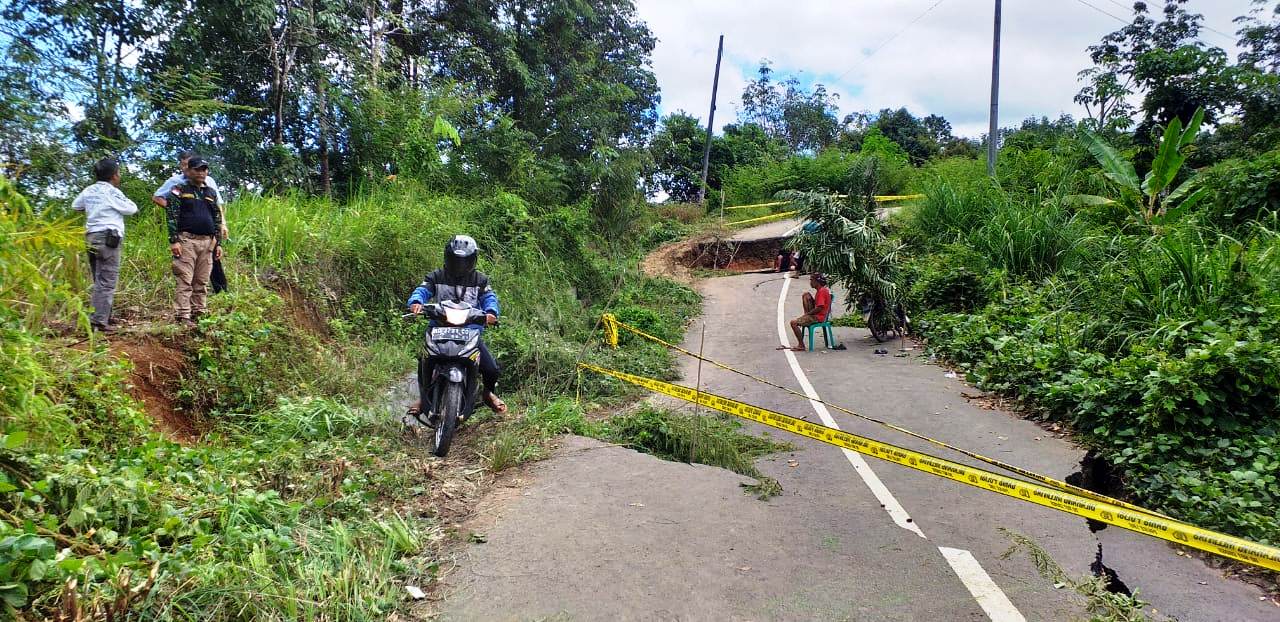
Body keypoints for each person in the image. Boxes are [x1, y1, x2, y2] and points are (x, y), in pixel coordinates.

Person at [406, 235, 507, 416]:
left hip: (469, 331)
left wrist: (491, 312)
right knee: (424, 360)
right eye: (455, 260)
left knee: (491, 368)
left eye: (464, 261)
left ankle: (488, 393)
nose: (460, 265)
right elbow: (423, 290)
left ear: (473, 260)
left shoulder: (480, 280)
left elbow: (489, 298)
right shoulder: (436, 276)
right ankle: (424, 397)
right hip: (439, 329)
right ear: (447, 257)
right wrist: (416, 302)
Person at [72, 158, 138, 333]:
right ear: (114, 175)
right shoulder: (112, 192)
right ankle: (98, 322)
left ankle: (103, 315)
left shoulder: (89, 190)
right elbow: (131, 209)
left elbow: (76, 206)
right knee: (107, 280)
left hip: (91, 237)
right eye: (118, 173)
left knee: (98, 278)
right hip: (108, 238)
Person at [154, 150, 229, 293]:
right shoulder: (176, 183)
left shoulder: (209, 182)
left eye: (188, 164)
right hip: (187, 233)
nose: (185, 168)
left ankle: (220, 290)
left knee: (212, 258)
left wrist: (223, 224)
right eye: (183, 165)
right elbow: (157, 197)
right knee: (186, 266)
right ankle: (185, 307)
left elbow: (217, 205)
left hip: (207, 230)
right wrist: (179, 212)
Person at [164, 157, 223, 325]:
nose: (201, 173)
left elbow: (217, 218)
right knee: (185, 278)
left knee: (202, 280)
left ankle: (199, 312)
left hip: (207, 242)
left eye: (204, 169)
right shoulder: (179, 190)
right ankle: (183, 315)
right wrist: (174, 240)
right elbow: (172, 216)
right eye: (197, 169)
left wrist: (218, 243)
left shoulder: (210, 193)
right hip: (186, 241)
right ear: (188, 171)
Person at [788, 272, 832, 351]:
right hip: (818, 314)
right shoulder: (821, 290)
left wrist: (809, 313)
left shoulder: (822, 291)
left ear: (817, 282)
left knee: (793, 323)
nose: (810, 282)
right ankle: (806, 317)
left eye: (811, 280)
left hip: (819, 317)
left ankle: (801, 345)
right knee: (806, 295)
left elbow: (819, 308)